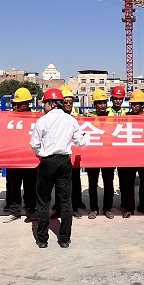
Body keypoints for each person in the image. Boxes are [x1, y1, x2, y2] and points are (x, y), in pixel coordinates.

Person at [30, 88, 87, 248]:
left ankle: (42, 239)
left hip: (47, 162)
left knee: (43, 201)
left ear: (52, 103)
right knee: (66, 201)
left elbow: (34, 144)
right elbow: (81, 142)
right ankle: (64, 239)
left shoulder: (43, 120)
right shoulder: (70, 120)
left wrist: (42, 153)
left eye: (45, 103)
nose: (43, 106)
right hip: (64, 162)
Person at [5, 87, 38, 223]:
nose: (18, 106)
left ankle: (31, 209)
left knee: (31, 186)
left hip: (30, 158)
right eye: (16, 103)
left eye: (21, 103)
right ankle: (15, 211)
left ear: (28, 102)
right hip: (14, 158)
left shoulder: (36, 117)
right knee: (14, 186)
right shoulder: (10, 117)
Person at [86, 89, 116, 219]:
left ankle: (107, 208)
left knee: (109, 184)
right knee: (92, 184)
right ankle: (94, 209)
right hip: (93, 156)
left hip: (108, 155)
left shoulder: (113, 118)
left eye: (104, 102)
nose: (102, 105)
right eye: (99, 103)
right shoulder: (89, 118)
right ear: (94, 104)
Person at [58, 87, 86, 218]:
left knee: (74, 182)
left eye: (71, 102)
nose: (68, 104)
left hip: (74, 153)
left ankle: (75, 206)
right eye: (66, 102)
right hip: (61, 154)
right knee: (60, 184)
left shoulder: (77, 115)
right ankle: (59, 208)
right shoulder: (56, 116)